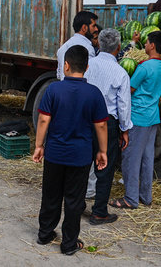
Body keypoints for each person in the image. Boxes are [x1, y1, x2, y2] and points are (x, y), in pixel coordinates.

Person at [33, 45, 109, 255]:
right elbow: (101, 125)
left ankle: (45, 234)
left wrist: (39, 145)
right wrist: (102, 151)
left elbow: (43, 119)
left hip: (55, 154)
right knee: (75, 201)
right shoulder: (94, 93)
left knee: (51, 195)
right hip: (80, 157)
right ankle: (68, 244)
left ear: (65, 65)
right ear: (86, 68)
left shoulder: (54, 89)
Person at [110, 30, 161, 209]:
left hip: (138, 117)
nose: (144, 45)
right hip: (152, 118)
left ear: (152, 45)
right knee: (147, 158)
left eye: (146, 42)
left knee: (130, 158)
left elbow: (130, 88)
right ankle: (145, 196)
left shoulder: (144, 67)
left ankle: (130, 198)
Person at [84, 28, 132, 224]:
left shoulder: (87, 65)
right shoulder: (121, 73)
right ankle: (99, 212)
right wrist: (125, 130)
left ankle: (77, 204)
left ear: (99, 44)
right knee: (105, 167)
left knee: (82, 164)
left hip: (85, 120)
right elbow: (123, 105)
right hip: (107, 124)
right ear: (118, 47)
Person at [56, 11, 98, 80]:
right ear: (84, 28)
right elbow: (90, 76)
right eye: (93, 26)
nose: (96, 29)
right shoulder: (88, 48)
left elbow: (59, 75)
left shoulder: (62, 48)